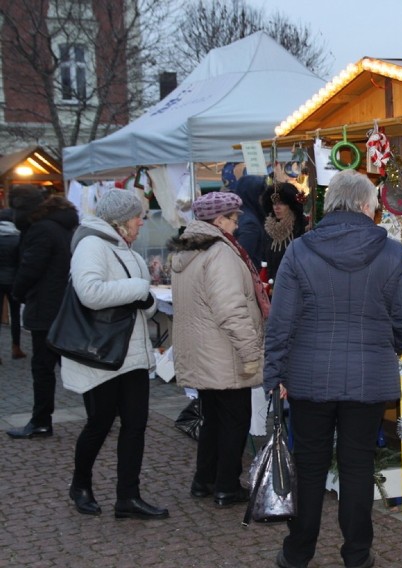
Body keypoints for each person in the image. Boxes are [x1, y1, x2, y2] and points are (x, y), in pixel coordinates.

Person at [264, 170, 402, 568]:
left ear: (330, 203)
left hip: (308, 377)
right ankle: (356, 555)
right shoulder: (390, 252)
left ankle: (297, 552)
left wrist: (275, 376)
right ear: (368, 207)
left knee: (309, 465)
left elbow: (280, 321)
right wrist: (385, 348)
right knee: (357, 466)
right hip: (367, 379)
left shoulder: (300, 251)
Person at [62, 189, 167, 519]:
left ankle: (128, 497)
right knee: (99, 423)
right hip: (101, 354)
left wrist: (147, 303)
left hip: (132, 353)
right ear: (122, 221)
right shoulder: (91, 244)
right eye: (138, 216)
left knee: (136, 424)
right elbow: (89, 292)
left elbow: (135, 304)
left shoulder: (126, 249)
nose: (141, 222)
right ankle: (80, 485)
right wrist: (139, 290)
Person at [169, 191, 268, 508]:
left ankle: (204, 479)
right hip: (224, 351)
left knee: (212, 417)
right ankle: (226, 485)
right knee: (235, 419)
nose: (237, 225)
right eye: (233, 218)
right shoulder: (220, 253)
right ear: (219, 219)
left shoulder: (189, 248)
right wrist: (251, 351)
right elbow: (231, 310)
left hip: (202, 350)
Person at [6, 186, 78, 439]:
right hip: (60, 305)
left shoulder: (41, 230)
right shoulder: (59, 226)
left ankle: (41, 422)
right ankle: (100, 412)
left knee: (44, 368)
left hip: (46, 308)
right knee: (68, 364)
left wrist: (18, 291)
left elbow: (31, 267)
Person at [260, 179, 306, 282]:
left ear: (291, 205)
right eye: (274, 203)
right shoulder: (269, 228)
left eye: (282, 203)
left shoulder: (301, 226)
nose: (277, 207)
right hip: (271, 287)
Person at [0, 208, 26, 361]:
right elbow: (22, 262)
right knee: (15, 316)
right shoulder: (18, 237)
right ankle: (16, 348)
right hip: (13, 281)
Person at [232, 175, 268, 269]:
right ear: (253, 196)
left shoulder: (239, 215)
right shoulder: (250, 224)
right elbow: (242, 257)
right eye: (261, 195)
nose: (263, 199)